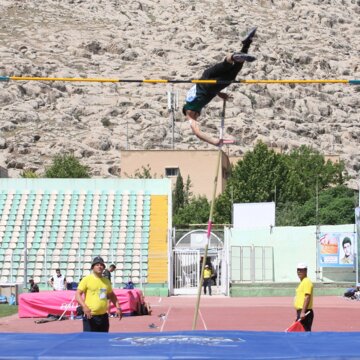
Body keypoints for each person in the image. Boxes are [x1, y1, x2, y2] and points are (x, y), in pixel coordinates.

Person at [183, 27, 257, 146]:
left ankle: (236, 56)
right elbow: (202, 88)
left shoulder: (190, 114)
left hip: (209, 87)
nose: (198, 115)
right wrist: (219, 94)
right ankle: (243, 46)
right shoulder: (190, 99)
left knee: (232, 74)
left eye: (197, 115)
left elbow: (197, 133)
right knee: (227, 66)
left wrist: (215, 142)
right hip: (206, 77)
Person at [75, 256, 122, 332]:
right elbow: (77, 294)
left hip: (103, 317)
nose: (99, 266)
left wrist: (118, 307)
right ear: (93, 267)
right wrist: (84, 306)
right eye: (97, 265)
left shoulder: (106, 281)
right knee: (90, 341)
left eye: (101, 265)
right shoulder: (86, 279)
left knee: (103, 341)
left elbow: (112, 295)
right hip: (90, 316)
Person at [294, 263, 314, 332]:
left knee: (305, 333)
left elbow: (307, 297)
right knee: (299, 333)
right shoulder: (302, 282)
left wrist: (302, 312)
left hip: (305, 312)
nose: (299, 272)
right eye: (298, 270)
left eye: (301, 270)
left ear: (306, 271)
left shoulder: (306, 282)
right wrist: (298, 313)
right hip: (302, 311)